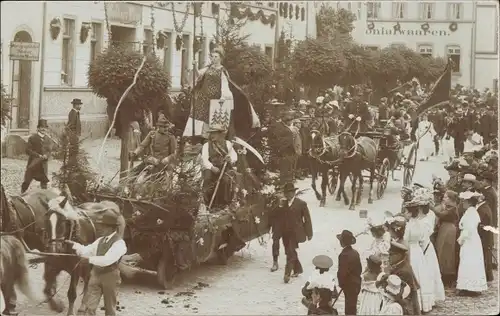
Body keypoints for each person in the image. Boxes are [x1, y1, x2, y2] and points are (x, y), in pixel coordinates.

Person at [182, 47, 259, 140]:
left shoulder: (222, 71)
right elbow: (198, 77)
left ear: (220, 58)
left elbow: (225, 84)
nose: (214, 59)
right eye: (212, 57)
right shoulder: (207, 69)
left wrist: (223, 97)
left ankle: (212, 139)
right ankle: (196, 138)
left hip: (215, 99)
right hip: (202, 99)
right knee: (199, 117)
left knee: (214, 120)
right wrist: (195, 66)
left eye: (216, 57)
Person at [65, 208, 127, 316]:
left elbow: (107, 260)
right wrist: (74, 245)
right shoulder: (100, 241)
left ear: (111, 228)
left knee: (110, 309)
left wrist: (89, 260)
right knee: (90, 307)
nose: (100, 228)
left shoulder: (120, 243)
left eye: (103, 226)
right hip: (95, 275)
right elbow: (87, 250)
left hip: (110, 277)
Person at [269, 183, 312, 282]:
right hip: (285, 233)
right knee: (289, 251)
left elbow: (307, 219)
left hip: (295, 233)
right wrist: (279, 206)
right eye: (286, 193)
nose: (288, 195)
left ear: (294, 193)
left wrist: (309, 233)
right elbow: (273, 214)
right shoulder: (282, 204)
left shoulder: (301, 204)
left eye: (290, 193)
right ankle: (298, 269)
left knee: (290, 252)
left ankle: (287, 274)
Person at [403, 193, 436, 313]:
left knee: (413, 274)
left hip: (411, 250)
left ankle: (414, 303)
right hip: (418, 251)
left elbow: (406, 241)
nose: (404, 214)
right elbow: (423, 239)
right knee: (421, 274)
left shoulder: (409, 226)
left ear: (411, 213)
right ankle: (424, 302)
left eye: (406, 212)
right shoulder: (420, 223)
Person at [456, 191, 488, 296]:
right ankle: (468, 286)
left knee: (469, 261)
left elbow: (468, 229)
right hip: (472, 239)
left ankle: (470, 287)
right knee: (469, 261)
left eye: (464, 201)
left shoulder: (471, 212)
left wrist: (461, 239)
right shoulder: (471, 211)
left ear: (469, 202)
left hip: (470, 239)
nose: (463, 203)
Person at [200, 122, 238, 209]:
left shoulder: (228, 144)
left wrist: (230, 159)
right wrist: (212, 167)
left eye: (214, 133)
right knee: (208, 179)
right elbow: (204, 159)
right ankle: (207, 204)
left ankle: (223, 204)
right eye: (211, 133)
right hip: (211, 167)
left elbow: (234, 156)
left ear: (220, 134)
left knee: (225, 181)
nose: (212, 135)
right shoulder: (206, 145)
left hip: (224, 168)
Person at [431, 190, 459, 287]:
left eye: (446, 197)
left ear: (451, 199)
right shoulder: (448, 207)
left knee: (447, 252)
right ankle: (443, 273)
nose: (444, 198)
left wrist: (431, 208)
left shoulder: (452, 208)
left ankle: (448, 276)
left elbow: (442, 215)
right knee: (442, 251)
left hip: (449, 230)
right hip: (444, 229)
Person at [21, 119, 53, 193]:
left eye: (45, 127)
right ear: (38, 128)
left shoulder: (48, 139)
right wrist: (38, 155)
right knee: (27, 181)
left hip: (43, 164)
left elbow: (49, 151)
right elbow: (28, 150)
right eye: (41, 127)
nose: (43, 129)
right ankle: (22, 193)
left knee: (44, 183)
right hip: (33, 163)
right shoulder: (32, 138)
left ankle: (44, 198)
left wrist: (46, 155)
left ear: (47, 129)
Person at [336, 229, 362, 315]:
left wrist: (341, 284)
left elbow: (342, 273)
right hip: (357, 283)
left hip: (348, 285)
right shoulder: (355, 253)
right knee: (352, 305)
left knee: (348, 307)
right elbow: (360, 269)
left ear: (342, 242)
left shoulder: (343, 255)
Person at [475, 192, 494, 282]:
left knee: (485, 255)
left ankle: (487, 275)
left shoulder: (483, 209)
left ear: (483, 197)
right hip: (485, 235)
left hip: (484, 236)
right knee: (486, 255)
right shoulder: (483, 207)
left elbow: (481, 223)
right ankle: (488, 275)